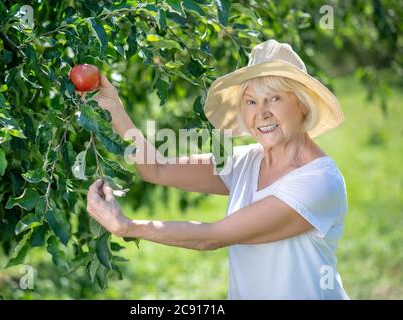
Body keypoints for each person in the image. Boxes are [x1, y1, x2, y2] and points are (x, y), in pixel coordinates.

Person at [85, 39, 349, 299]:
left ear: (302, 105)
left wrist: (127, 227)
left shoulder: (318, 182)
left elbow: (211, 237)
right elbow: (157, 169)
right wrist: (114, 108)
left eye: (275, 98)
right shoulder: (248, 161)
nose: (262, 113)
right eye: (251, 101)